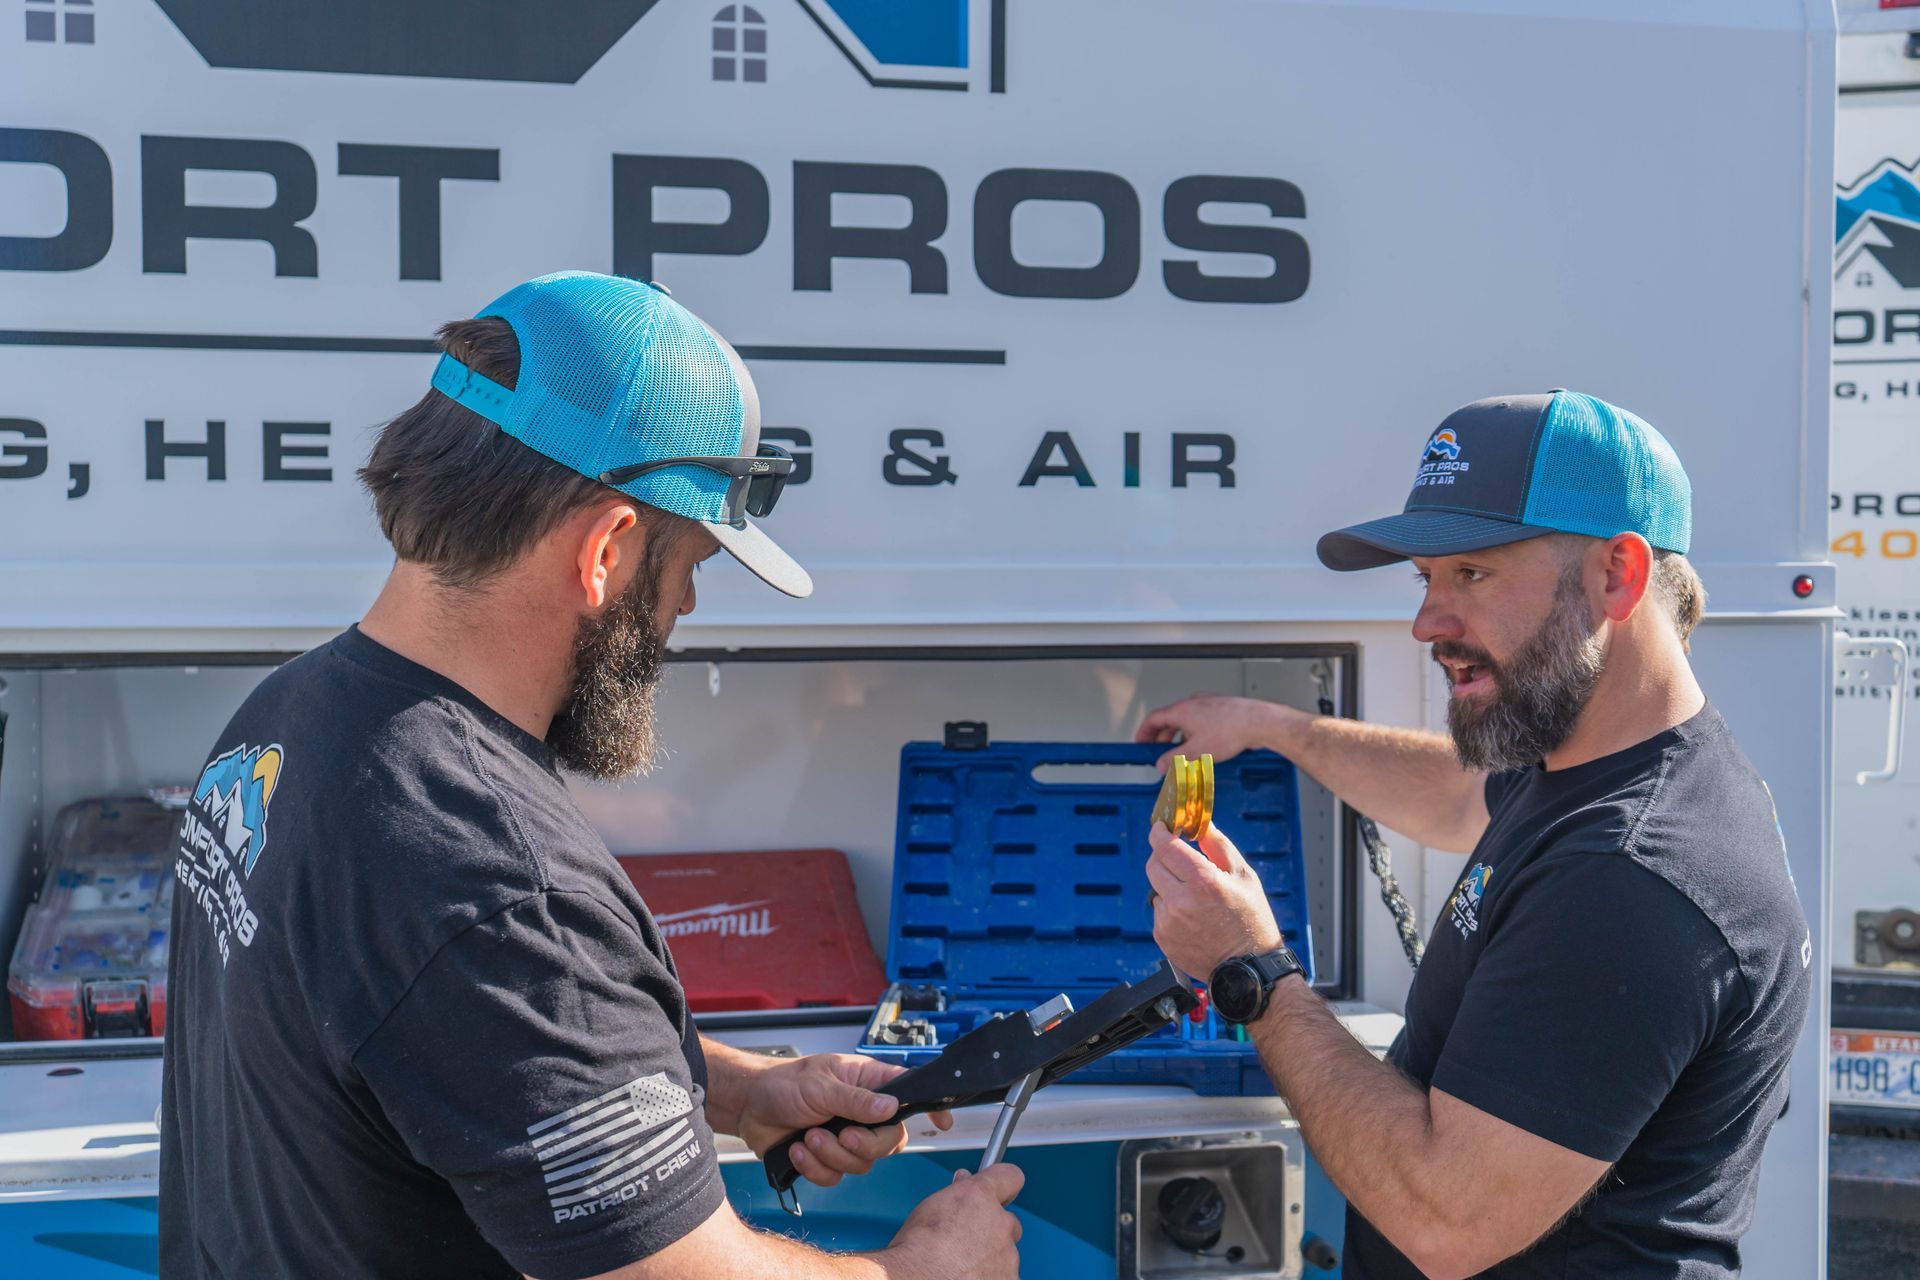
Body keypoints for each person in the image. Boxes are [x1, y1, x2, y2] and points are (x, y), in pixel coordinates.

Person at [159, 272, 1022, 1280]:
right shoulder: (497, 879)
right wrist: (923, 1270)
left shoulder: (279, 724)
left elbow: (449, 1044)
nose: (689, 604)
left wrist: (737, 1090)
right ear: (608, 549)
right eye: (691, 559)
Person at [1136, 391, 1811, 1279]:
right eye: (1427, 579)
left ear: (1618, 575)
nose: (1427, 623)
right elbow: (1458, 799)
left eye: (1474, 575)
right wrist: (1272, 725)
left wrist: (1253, 970)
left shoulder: (1631, 878)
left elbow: (1445, 1221)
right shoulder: (1598, 768)